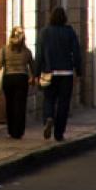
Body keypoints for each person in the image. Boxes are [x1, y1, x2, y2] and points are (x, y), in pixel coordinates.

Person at [34, 7, 82, 142]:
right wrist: (78, 71)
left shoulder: (44, 33)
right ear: (64, 18)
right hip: (66, 73)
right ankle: (59, 133)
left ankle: (49, 117)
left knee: (49, 98)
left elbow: (39, 55)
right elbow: (76, 53)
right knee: (63, 103)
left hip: (49, 72)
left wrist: (36, 73)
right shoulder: (69, 32)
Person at [0, 26, 34, 138]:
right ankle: (19, 131)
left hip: (9, 78)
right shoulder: (27, 52)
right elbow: (32, 66)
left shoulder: (4, 50)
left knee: (10, 104)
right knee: (20, 105)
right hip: (22, 79)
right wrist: (32, 77)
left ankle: (11, 130)